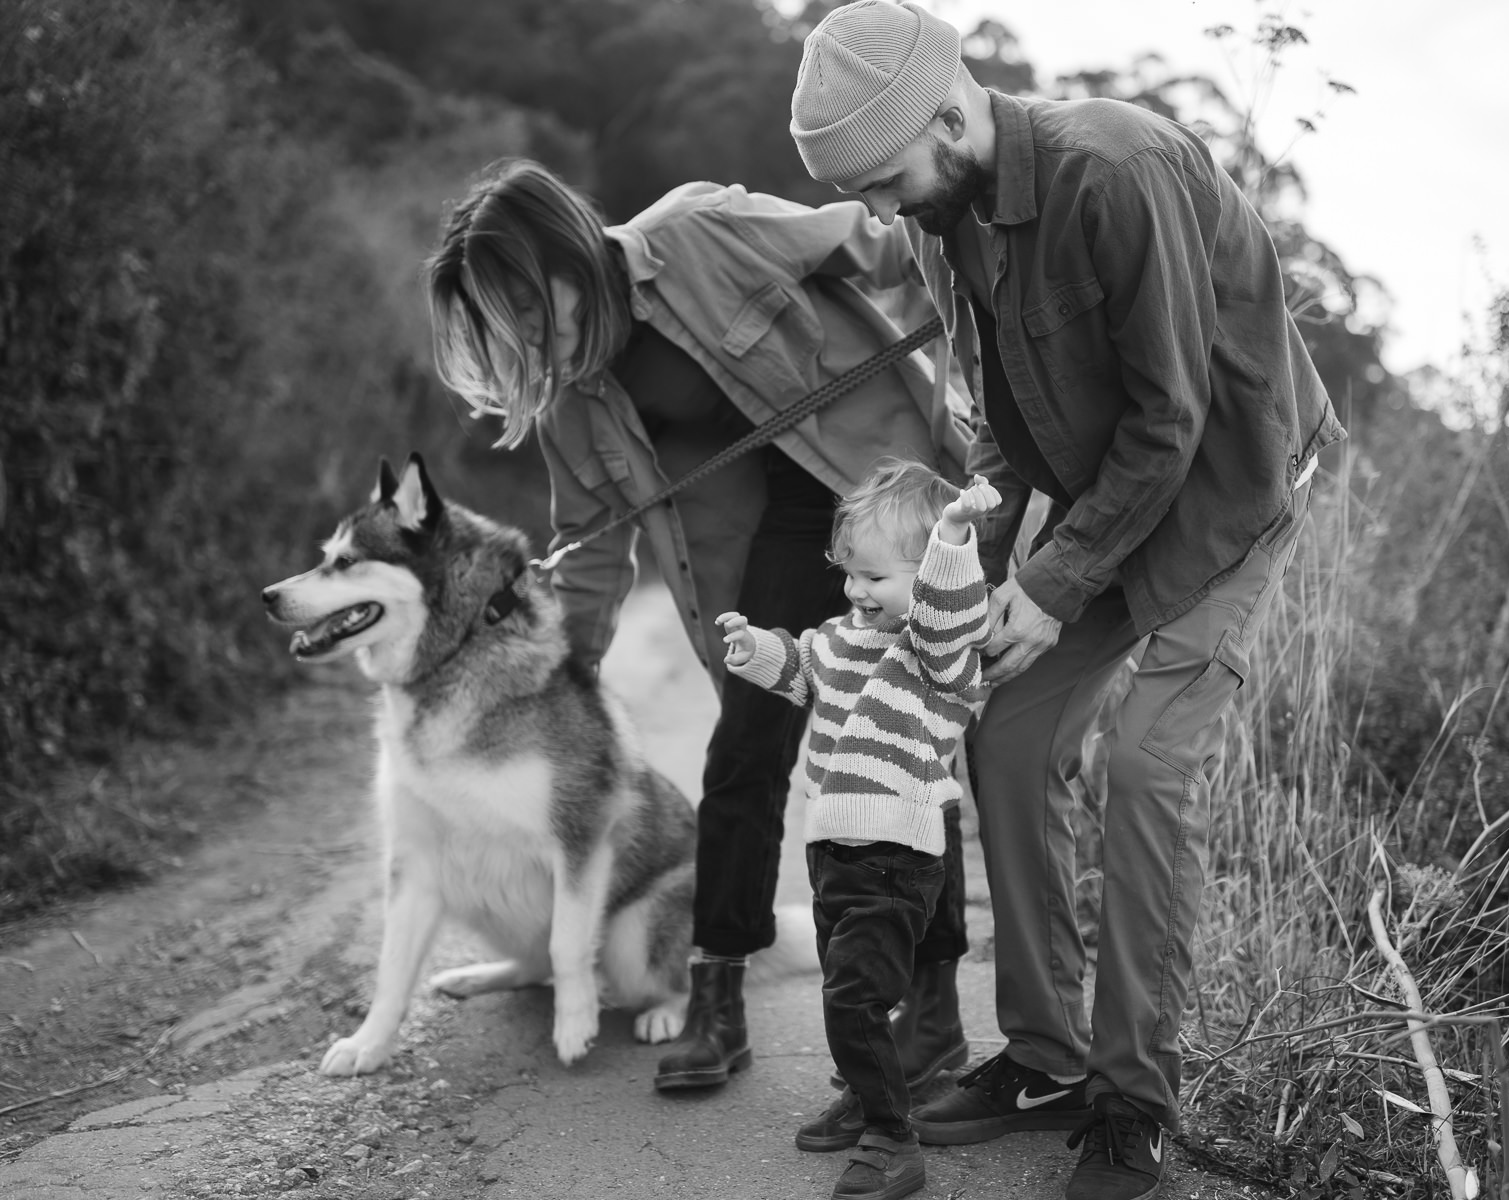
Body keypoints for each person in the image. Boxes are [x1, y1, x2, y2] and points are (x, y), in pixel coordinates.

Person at [789, 6, 1348, 1199]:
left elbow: (1171, 421)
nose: (884, 211)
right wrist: (965, 536)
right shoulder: (947, 224)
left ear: (949, 117)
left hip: (1229, 485)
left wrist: (1048, 583)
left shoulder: (1115, 169)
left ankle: (1130, 1095)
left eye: (886, 182)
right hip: (1111, 499)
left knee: (1143, 766)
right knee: (1008, 732)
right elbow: (1005, 421)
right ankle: (1043, 1060)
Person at [423, 158, 978, 1096]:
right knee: (744, 758)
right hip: (773, 542)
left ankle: (932, 1010)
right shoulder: (568, 401)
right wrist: (561, 688)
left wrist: (990, 277)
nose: (529, 338)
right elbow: (589, 547)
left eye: (529, 307)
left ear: (569, 249)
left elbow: (879, 245)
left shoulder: (701, 231)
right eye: (503, 325)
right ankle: (718, 997)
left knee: (908, 749)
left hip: (884, 499)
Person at [717, 459, 999, 1200]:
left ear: (923, 578)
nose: (855, 591)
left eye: (875, 577)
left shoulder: (934, 655)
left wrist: (951, 537)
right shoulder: (843, 638)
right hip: (833, 851)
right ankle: (871, 1090)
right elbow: (803, 668)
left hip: (895, 853)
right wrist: (755, 649)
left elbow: (950, 608)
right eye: (848, 574)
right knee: (854, 986)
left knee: (852, 996)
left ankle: (890, 1137)